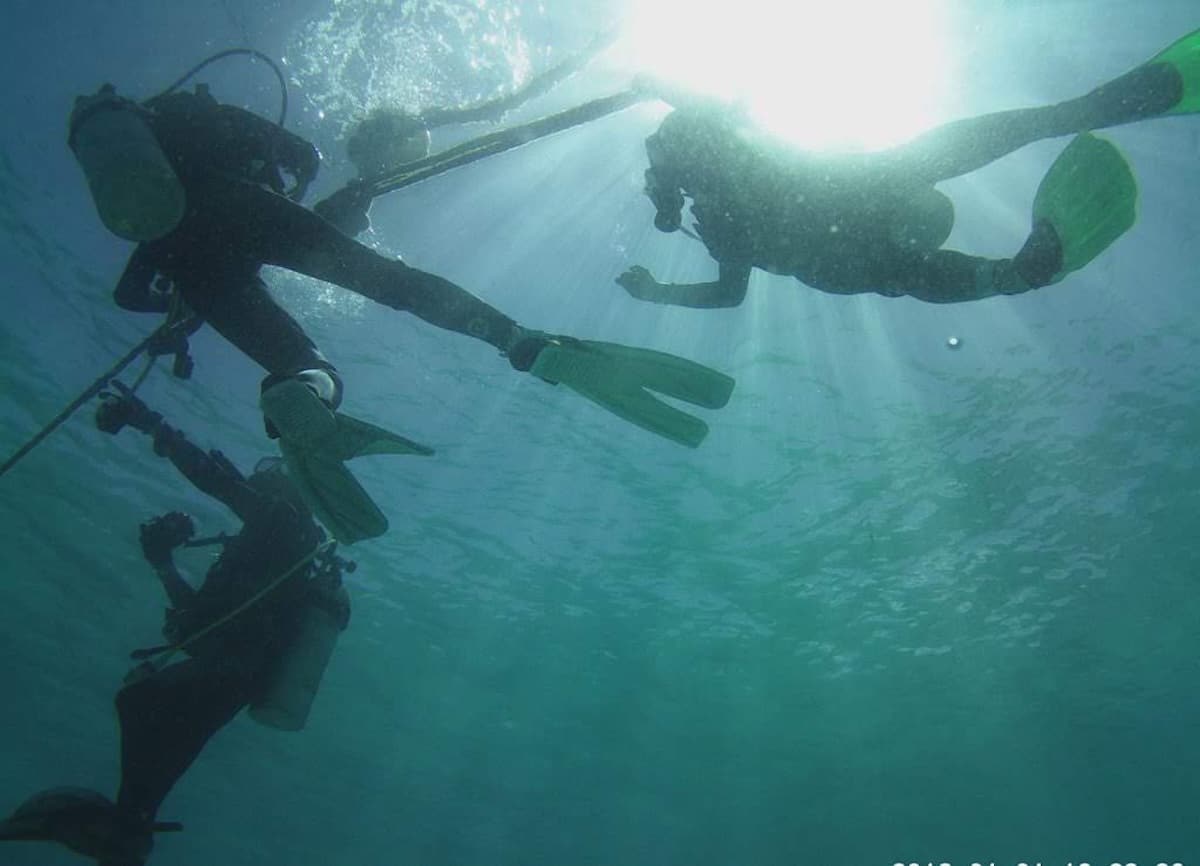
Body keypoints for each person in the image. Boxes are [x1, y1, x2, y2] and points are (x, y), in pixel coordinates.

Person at [67, 56, 734, 543]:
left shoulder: (142, 188)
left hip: (188, 262)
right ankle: (516, 339)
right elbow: (298, 154)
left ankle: (305, 390)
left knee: (300, 359)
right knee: (395, 286)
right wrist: (297, 210)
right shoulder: (198, 117)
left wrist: (182, 308)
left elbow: (131, 294)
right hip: (246, 208)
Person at [0, 385, 355, 866]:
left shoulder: (284, 520)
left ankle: (124, 832)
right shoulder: (266, 547)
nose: (259, 479)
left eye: (268, 475)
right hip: (231, 672)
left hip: (231, 670)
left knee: (140, 703)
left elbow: (215, 480)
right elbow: (196, 627)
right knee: (143, 714)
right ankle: (125, 832)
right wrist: (163, 564)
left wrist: (151, 423)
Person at [616, 27, 1200, 308]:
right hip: (841, 220)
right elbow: (729, 294)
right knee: (900, 241)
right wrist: (656, 292)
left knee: (904, 208)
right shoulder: (721, 222)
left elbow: (707, 107)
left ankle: (1072, 118)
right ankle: (1011, 270)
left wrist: (658, 84)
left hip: (838, 203)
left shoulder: (712, 157)